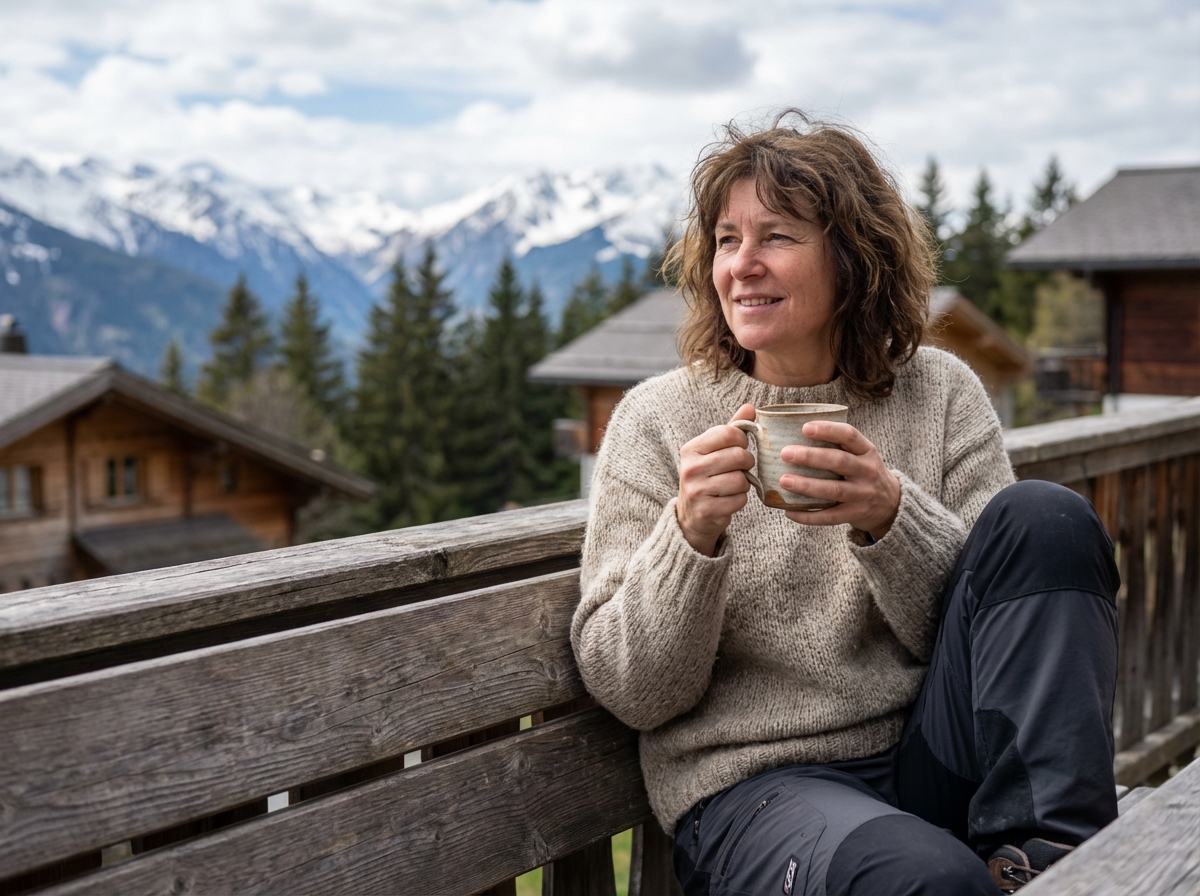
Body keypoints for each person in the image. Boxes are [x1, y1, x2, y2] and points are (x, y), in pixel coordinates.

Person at [570, 113, 1120, 895]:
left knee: (1046, 518)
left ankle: (1055, 864)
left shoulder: (942, 393)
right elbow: (636, 691)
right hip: (759, 790)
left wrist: (893, 517)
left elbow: (992, 635)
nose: (743, 266)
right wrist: (689, 538)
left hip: (929, 756)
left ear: (853, 256)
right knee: (926, 880)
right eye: (727, 240)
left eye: (778, 237)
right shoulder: (658, 421)